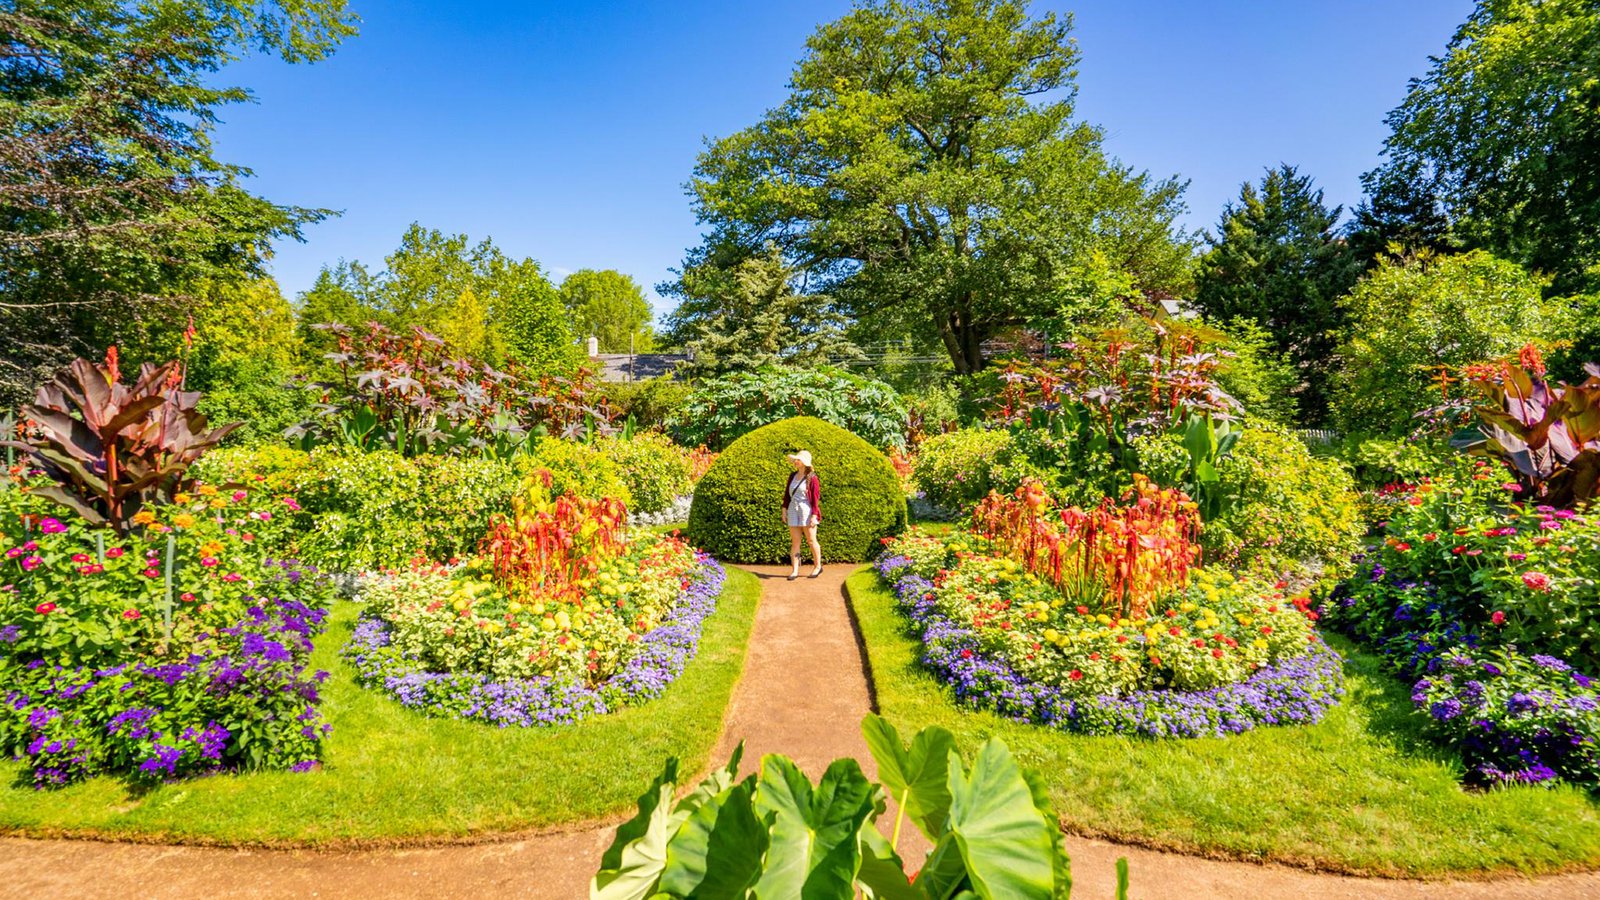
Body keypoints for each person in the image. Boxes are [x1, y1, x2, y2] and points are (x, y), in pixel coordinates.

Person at [781, 449, 822, 580]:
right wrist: (784, 509)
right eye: (795, 460)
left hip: (807, 511)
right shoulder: (792, 476)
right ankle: (795, 570)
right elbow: (787, 495)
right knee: (795, 542)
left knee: (811, 540)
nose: (795, 462)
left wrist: (814, 515)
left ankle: (817, 566)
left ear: (804, 462)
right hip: (793, 510)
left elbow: (815, 499)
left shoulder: (812, 478)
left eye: (797, 460)